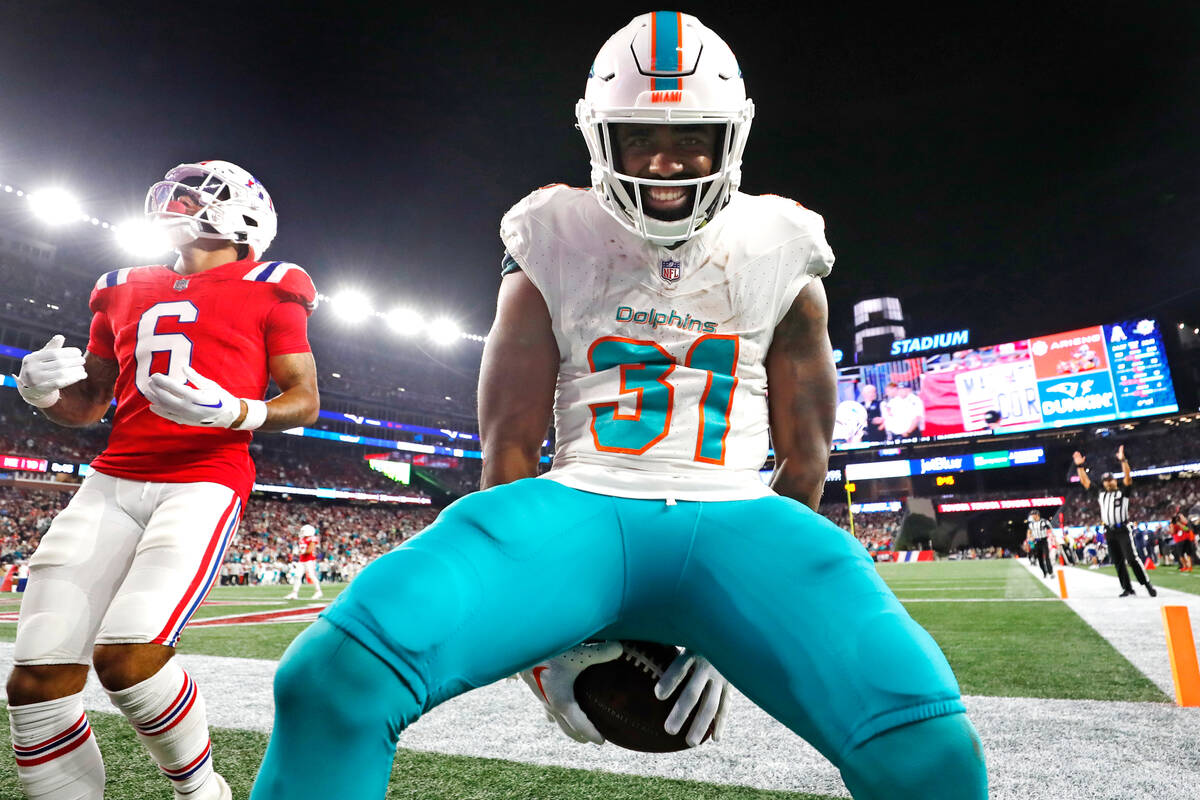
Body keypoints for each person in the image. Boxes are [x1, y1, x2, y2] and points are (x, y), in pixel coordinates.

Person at [251, 13, 986, 800]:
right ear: (603, 138)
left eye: (691, 137)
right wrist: (540, 644)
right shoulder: (552, 232)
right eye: (640, 137)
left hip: (738, 514)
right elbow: (509, 448)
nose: (667, 160)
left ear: (728, 139)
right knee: (330, 681)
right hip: (578, 506)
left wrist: (733, 630)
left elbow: (805, 462)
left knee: (932, 753)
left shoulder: (783, 242)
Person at [6, 160, 320, 800]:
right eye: (172, 191)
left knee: (128, 657)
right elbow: (90, 403)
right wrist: (40, 394)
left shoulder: (272, 284)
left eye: (194, 194)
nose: (174, 202)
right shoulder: (119, 285)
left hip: (204, 476)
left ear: (244, 214)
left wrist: (237, 411)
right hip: (113, 477)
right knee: (34, 682)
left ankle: (201, 791)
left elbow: (305, 399)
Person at [1072, 446, 1156, 597]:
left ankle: (1146, 583)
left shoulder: (1122, 492)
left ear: (1115, 480)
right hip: (1109, 531)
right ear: (1103, 483)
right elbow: (1085, 482)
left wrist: (1123, 460)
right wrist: (1079, 466)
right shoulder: (1101, 493)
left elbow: (1128, 478)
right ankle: (1127, 588)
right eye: (1105, 481)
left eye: (1110, 480)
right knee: (1117, 561)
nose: (1108, 482)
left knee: (1131, 558)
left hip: (1123, 529)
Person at [284, 524, 324, 600]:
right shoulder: (302, 539)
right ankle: (294, 593)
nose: (302, 532)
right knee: (297, 576)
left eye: (303, 531)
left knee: (312, 575)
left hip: (309, 560)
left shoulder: (312, 538)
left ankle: (318, 591)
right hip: (302, 560)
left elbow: (309, 550)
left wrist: (302, 552)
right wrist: (300, 552)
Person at [1027, 510, 1053, 578]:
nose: (1032, 516)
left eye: (1033, 515)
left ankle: (1050, 572)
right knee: (1039, 558)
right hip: (1036, 542)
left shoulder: (1044, 522)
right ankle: (1044, 572)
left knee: (1047, 557)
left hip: (1044, 541)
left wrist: (1050, 538)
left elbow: (1050, 530)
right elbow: (1029, 532)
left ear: (1037, 515)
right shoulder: (1031, 524)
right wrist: (1030, 538)